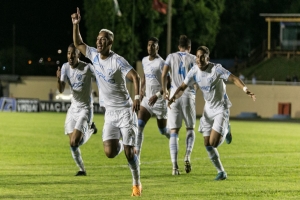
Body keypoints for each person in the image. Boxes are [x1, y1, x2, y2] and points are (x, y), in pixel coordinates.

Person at [71, 8, 142, 196]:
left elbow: (136, 77)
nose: (98, 42)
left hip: (126, 111)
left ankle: (136, 183)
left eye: (102, 39)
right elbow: (78, 43)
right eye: (97, 39)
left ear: (110, 42)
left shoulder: (117, 61)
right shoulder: (93, 55)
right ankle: (126, 143)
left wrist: (137, 97)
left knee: (128, 154)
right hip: (110, 113)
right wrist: (76, 24)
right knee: (110, 152)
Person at [168, 46, 256, 180]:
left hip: (221, 108)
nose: (199, 59)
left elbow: (233, 78)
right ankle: (221, 172)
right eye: (197, 56)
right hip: (208, 109)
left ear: (208, 58)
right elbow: (182, 87)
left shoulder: (216, 69)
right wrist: (173, 97)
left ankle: (226, 129)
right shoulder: (194, 71)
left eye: (202, 56)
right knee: (207, 144)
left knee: (213, 142)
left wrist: (245, 89)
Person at [56, 43, 98, 176]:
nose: (70, 56)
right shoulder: (65, 67)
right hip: (73, 108)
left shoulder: (87, 68)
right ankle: (82, 170)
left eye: (73, 53)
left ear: (78, 55)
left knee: (75, 141)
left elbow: (102, 78)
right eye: (68, 53)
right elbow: (61, 90)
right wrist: (58, 79)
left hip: (86, 109)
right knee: (73, 143)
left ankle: (90, 128)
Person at [161, 35, 196, 175]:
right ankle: (187, 155)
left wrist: (165, 91)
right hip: (188, 95)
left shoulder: (170, 57)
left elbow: (163, 75)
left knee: (174, 131)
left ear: (178, 46)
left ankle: (175, 167)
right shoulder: (194, 58)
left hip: (173, 96)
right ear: (189, 47)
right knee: (190, 128)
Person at [135, 37, 170, 164]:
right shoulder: (144, 60)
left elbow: (168, 81)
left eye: (153, 45)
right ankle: (136, 157)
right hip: (147, 101)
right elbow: (145, 76)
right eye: (149, 45)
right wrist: (141, 89)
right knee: (139, 126)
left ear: (157, 48)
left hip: (159, 101)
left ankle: (172, 137)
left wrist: (157, 95)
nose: (150, 47)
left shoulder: (161, 63)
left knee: (162, 130)